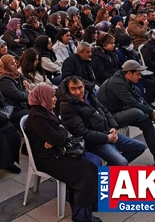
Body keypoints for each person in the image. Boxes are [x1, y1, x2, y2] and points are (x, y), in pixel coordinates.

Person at [24, 84, 100, 222]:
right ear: (43, 97)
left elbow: (61, 129)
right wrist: (59, 134)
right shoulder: (37, 117)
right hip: (48, 158)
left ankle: (88, 201)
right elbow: (59, 138)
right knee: (88, 171)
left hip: (57, 151)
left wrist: (59, 133)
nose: (55, 99)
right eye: (52, 96)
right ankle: (81, 215)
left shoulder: (46, 110)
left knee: (95, 160)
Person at [97, 60, 155, 166]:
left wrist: (151, 111)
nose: (140, 77)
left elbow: (138, 98)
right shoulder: (117, 83)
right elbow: (132, 102)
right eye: (138, 74)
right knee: (137, 112)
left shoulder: (125, 79)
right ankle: (150, 118)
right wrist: (150, 112)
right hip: (109, 119)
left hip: (119, 111)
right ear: (129, 73)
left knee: (146, 123)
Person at [59, 76, 146, 166]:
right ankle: (109, 174)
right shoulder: (67, 106)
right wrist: (107, 138)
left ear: (84, 86)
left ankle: (110, 169)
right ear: (68, 90)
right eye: (73, 89)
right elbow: (81, 132)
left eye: (80, 88)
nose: (78, 92)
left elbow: (104, 110)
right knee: (121, 162)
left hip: (107, 132)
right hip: (94, 142)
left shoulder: (89, 95)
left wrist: (113, 127)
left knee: (140, 147)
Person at [0, 54, 30, 127]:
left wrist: (25, 85)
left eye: (15, 62)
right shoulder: (3, 80)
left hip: (20, 105)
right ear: (6, 66)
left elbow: (24, 80)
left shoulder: (14, 73)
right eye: (12, 64)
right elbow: (19, 96)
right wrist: (28, 92)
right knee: (34, 115)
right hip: (11, 109)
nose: (16, 65)